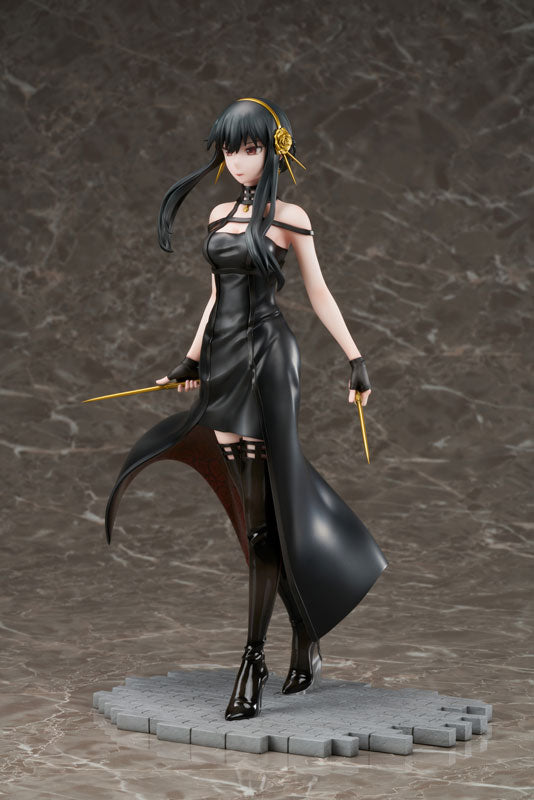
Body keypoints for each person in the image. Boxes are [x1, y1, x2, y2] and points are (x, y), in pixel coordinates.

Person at [105, 97, 387, 721]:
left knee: (265, 516)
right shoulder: (217, 214)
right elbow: (215, 299)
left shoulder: (289, 217)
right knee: (256, 517)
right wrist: (191, 359)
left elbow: (318, 292)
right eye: (229, 149)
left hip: (268, 358)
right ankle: (305, 630)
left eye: (251, 148)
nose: (238, 160)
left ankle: (253, 657)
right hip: (225, 358)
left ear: (273, 151)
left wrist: (356, 358)